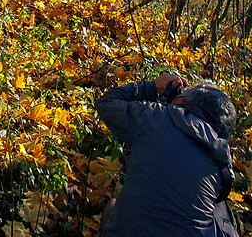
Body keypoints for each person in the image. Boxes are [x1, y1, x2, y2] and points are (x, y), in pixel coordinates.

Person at [95, 72, 237, 236]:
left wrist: (152, 87)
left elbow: (106, 103)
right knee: (222, 212)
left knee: (112, 207)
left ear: (180, 101)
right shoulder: (220, 159)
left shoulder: (156, 117)